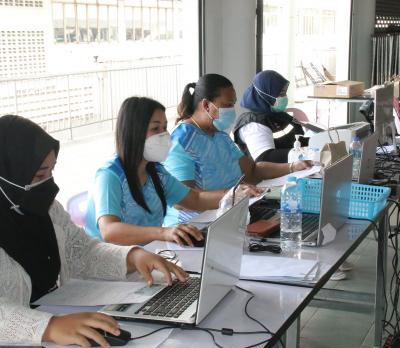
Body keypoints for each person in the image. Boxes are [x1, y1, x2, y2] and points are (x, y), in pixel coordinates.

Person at [0, 115, 188, 348]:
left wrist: (132, 256)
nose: (49, 183)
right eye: (39, 175)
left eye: (51, 171)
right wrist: (49, 327)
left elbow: (82, 251)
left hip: (56, 329)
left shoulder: (45, 208)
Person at [85, 97, 261, 246]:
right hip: (110, 264)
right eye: (155, 129)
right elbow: (109, 231)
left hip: (148, 254)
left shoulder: (156, 172)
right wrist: (163, 232)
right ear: (133, 132)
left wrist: (233, 195)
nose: (164, 135)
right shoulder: (110, 176)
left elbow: (194, 199)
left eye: (164, 128)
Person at [163, 73, 311, 225]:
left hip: (229, 216)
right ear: (206, 105)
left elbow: (252, 171)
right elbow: (182, 200)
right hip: (192, 227)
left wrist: (292, 167)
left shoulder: (220, 136)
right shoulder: (181, 141)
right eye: (227, 105)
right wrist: (231, 195)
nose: (232, 110)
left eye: (233, 104)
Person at [232, 70, 309, 163]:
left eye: (285, 93)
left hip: (292, 168)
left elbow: (298, 138)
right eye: (281, 94)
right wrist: (301, 153)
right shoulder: (253, 124)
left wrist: (317, 143)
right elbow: (264, 158)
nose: (285, 97)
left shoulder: (279, 115)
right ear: (266, 95)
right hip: (273, 172)